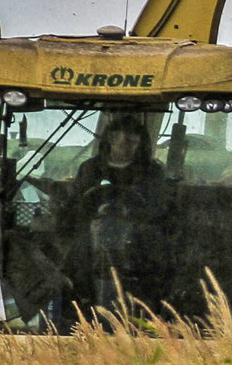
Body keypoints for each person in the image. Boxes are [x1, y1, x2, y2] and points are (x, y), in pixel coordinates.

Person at [64, 117, 175, 313]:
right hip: (93, 233)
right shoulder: (90, 169)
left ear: (141, 144)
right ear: (110, 140)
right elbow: (77, 207)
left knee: (158, 247)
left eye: (133, 143)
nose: (127, 147)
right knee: (75, 251)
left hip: (138, 235)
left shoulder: (151, 171)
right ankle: (78, 299)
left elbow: (159, 208)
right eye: (123, 142)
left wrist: (137, 219)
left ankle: (153, 303)